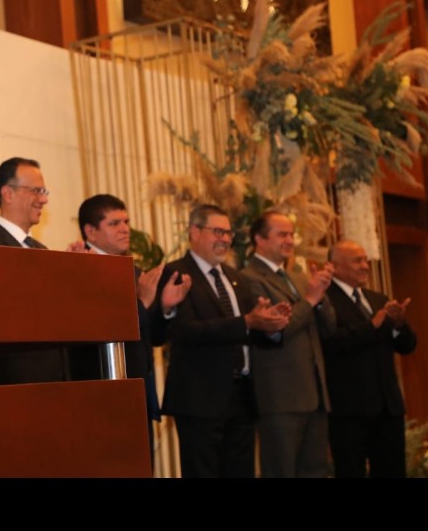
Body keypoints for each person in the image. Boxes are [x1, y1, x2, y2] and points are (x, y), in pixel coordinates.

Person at [160, 203, 291, 478]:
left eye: (229, 233)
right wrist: (247, 322)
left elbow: (249, 332)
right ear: (194, 232)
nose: (225, 239)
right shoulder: (175, 274)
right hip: (200, 399)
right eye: (217, 231)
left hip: (241, 396)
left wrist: (270, 326)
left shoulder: (236, 278)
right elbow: (185, 331)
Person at [71, 194, 191, 458]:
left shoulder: (134, 271)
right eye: (114, 223)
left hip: (138, 391)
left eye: (126, 221)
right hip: (99, 395)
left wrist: (165, 308)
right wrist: (144, 303)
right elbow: (94, 329)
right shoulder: (77, 269)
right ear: (90, 231)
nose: (125, 229)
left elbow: (154, 338)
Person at [239, 210, 337, 477]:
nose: (290, 241)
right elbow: (276, 330)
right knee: (281, 471)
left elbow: (329, 328)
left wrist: (320, 296)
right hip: (280, 398)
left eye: (291, 235)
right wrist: (310, 300)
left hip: (314, 394)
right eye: (282, 234)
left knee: (316, 472)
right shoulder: (249, 279)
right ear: (259, 239)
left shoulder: (298, 278)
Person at [0, 156, 65, 384]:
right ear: (8, 194)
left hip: (51, 377)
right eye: (37, 191)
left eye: (44, 192)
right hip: (10, 378)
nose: (44, 200)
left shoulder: (42, 250)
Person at [322, 239, 417, 478]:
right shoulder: (324, 300)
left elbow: (407, 346)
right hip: (349, 409)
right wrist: (371, 325)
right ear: (334, 266)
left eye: (365, 260)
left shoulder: (378, 299)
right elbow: (330, 343)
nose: (365, 266)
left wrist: (399, 324)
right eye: (357, 261)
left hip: (388, 406)